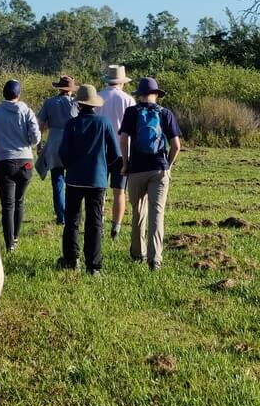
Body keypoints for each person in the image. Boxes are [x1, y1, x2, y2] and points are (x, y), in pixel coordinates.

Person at [118, 76, 183, 269]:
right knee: (157, 214)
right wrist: (168, 165)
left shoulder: (131, 112)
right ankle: (155, 259)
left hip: (137, 169)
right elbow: (177, 145)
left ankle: (138, 254)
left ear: (139, 94)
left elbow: (123, 140)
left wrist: (125, 163)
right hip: (159, 168)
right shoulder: (166, 113)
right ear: (156, 94)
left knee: (138, 212)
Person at [56, 84, 112, 275]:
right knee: (94, 221)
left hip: (74, 179)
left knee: (72, 220)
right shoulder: (104, 123)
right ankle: (93, 266)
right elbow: (115, 153)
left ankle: (71, 260)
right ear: (94, 104)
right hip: (97, 179)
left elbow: (62, 152)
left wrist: (70, 165)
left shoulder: (71, 124)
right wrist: (105, 169)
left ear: (79, 104)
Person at [0, 80, 40, 252]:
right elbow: (36, 138)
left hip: (4, 161)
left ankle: (9, 243)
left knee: (7, 205)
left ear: (4, 94)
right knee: (19, 201)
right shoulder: (27, 111)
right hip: (25, 161)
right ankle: (16, 237)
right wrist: (27, 142)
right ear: (18, 94)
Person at [99, 66, 136, 237]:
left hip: (101, 150)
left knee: (100, 190)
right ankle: (116, 227)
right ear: (122, 82)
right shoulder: (128, 100)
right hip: (122, 151)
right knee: (119, 191)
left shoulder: (98, 97)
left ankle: (98, 222)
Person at [37, 76, 76, 225]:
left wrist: (39, 145)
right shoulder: (76, 103)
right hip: (72, 143)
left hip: (54, 143)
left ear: (59, 88)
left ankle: (61, 217)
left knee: (57, 181)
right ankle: (72, 214)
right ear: (71, 90)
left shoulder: (49, 102)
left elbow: (40, 125)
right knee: (72, 182)